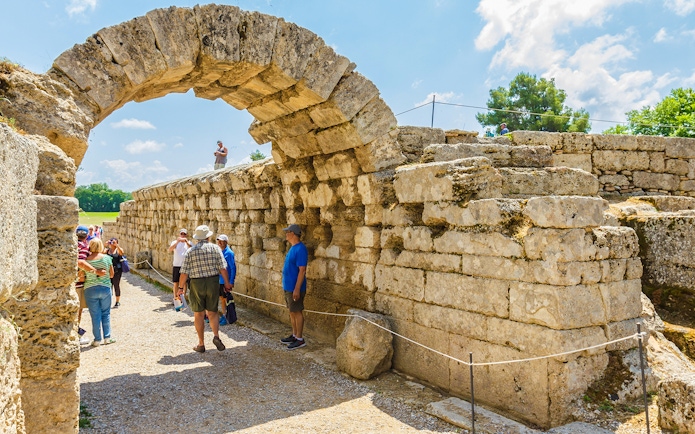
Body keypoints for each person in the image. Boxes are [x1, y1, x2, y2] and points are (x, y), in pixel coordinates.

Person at [178, 225, 232, 353]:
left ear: (197, 238)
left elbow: (184, 273)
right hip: (213, 281)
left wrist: (180, 288)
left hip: (196, 283)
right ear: (208, 236)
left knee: (199, 314)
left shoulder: (190, 251)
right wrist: (227, 283)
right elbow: (223, 268)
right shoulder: (215, 248)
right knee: (212, 311)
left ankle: (201, 343)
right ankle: (216, 336)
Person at [76, 225, 106, 345]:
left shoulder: (73, 245)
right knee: (77, 311)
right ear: (86, 236)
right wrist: (96, 271)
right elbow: (81, 262)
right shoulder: (83, 246)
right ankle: (76, 335)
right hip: (78, 283)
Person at [280, 224, 308, 350]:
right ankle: (294, 334)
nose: (286, 234)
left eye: (288, 232)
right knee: (292, 311)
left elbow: (302, 270)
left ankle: (300, 338)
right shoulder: (293, 248)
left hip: (295, 288)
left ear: (293, 234)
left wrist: (297, 289)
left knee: (297, 311)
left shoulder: (301, 249)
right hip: (288, 286)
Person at [84, 238, 115, 346]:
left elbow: (83, 277)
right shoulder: (107, 258)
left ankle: (97, 339)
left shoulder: (86, 260)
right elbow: (111, 274)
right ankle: (107, 337)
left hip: (90, 288)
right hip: (105, 287)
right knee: (105, 313)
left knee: (95, 315)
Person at [216, 234, 236, 321]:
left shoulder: (229, 253)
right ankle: (224, 315)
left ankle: (226, 316)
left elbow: (233, 268)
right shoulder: (219, 251)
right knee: (221, 298)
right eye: (218, 241)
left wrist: (231, 282)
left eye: (222, 241)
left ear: (226, 242)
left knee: (225, 299)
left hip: (225, 281)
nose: (219, 243)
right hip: (219, 280)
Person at [168, 228, 191, 305]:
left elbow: (192, 249)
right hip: (176, 265)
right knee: (176, 282)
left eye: (184, 234)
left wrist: (186, 242)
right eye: (182, 234)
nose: (183, 236)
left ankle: (183, 298)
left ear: (186, 235)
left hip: (185, 265)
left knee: (184, 283)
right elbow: (170, 249)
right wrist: (178, 241)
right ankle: (175, 298)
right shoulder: (175, 242)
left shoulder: (188, 243)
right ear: (179, 234)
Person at [105, 237, 125, 307]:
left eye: (114, 242)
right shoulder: (107, 250)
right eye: (111, 242)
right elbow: (101, 253)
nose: (112, 243)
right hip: (108, 270)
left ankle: (117, 301)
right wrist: (105, 245)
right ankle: (108, 301)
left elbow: (122, 253)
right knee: (108, 285)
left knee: (116, 285)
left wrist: (117, 246)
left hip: (117, 270)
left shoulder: (118, 250)